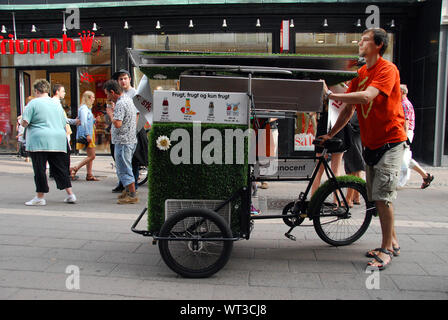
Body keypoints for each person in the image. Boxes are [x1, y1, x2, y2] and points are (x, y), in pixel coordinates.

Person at [319, 28, 408, 270]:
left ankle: (386, 249)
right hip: (372, 143)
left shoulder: (387, 70)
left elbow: (367, 97)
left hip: (390, 142)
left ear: (379, 45)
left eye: (366, 39)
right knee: (378, 198)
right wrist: (331, 133)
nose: (360, 42)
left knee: (382, 197)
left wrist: (328, 94)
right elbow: (348, 110)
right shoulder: (360, 73)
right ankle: (394, 242)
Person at [21, 79, 76, 205]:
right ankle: (70, 194)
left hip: (39, 141)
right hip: (58, 140)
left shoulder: (33, 103)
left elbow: (25, 122)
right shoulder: (56, 104)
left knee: (40, 169)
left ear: (36, 90)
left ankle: (40, 197)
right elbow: (63, 122)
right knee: (60, 168)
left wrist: (21, 122)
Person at [110, 69, 148, 194]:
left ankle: (133, 187)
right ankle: (122, 184)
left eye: (125, 78)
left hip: (133, 132)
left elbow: (140, 114)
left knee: (133, 161)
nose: (123, 81)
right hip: (121, 133)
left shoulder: (135, 94)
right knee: (121, 160)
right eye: (120, 79)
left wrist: (133, 130)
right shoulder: (117, 95)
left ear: (130, 79)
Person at [311, 84, 351, 197]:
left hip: (325, 125)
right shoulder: (345, 88)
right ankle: (336, 200)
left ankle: (313, 198)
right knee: (335, 169)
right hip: (339, 124)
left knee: (319, 168)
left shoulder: (324, 87)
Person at [104, 80, 139, 204]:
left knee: (124, 168)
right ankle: (128, 191)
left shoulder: (120, 103)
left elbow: (118, 123)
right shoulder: (128, 99)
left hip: (123, 141)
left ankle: (132, 194)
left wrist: (110, 114)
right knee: (126, 166)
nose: (107, 97)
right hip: (129, 139)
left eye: (107, 94)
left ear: (112, 92)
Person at [398, 84, 434, 189]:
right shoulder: (404, 103)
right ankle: (426, 176)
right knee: (406, 157)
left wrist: (403, 137)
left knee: (403, 157)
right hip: (406, 132)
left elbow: (406, 122)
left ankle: (400, 183)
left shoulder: (404, 104)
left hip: (405, 132)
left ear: (402, 92)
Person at [50, 84, 80, 178]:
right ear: (57, 92)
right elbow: (62, 119)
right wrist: (75, 121)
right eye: (63, 91)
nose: (64, 93)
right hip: (59, 131)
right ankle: (64, 174)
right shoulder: (55, 103)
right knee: (65, 154)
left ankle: (54, 173)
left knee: (56, 153)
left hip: (55, 130)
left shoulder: (54, 102)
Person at [70, 91, 100, 181]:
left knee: (90, 155)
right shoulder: (84, 109)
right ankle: (75, 168)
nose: (94, 99)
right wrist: (87, 134)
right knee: (92, 156)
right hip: (88, 134)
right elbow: (83, 122)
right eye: (93, 97)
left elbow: (87, 121)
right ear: (88, 98)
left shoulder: (87, 108)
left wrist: (94, 120)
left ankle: (89, 174)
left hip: (90, 133)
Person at [343, 111, 365, 207]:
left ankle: (348, 199)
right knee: (355, 166)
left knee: (352, 167)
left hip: (352, 131)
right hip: (357, 132)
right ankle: (356, 196)